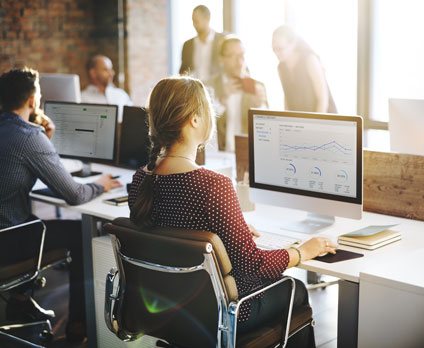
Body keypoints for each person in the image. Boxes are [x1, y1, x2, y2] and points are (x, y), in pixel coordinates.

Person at [128, 76, 338, 346]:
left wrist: (229, 228)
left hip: (170, 308)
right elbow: (252, 267)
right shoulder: (213, 185)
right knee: (294, 288)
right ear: (194, 119)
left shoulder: (140, 180)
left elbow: (173, 230)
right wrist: (302, 252)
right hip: (224, 312)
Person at [0, 67, 122, 342]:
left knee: (31, 220)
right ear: (33, 100)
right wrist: (101, 183)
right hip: (7, 240)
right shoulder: (30, 137)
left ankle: (20, 299)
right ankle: (78, 326)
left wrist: (45, 139)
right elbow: (75, 195)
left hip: (5, 231)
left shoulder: (15, 132)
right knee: (81, 236)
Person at [206, 36, 268, 151]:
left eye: (242, 55)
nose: (240, 62)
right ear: (221, 59)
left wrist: (258, 106)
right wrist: (222, 100)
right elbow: (203, 124)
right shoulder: (209, 86)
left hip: (247, 154)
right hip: (218, 155)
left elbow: (267, 131)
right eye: (233, 56)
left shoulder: (256, 86)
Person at [272, 25, 337, 113]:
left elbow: (322, 99)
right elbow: (287, 99)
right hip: (301, 121)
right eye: (274, 49)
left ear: (293, 44)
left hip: (323, 117)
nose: (276, 53)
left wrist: (315, 124)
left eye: (280, 48)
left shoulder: (309, 60)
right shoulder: (281, 68)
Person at [81, 54, 133, 122]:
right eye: (105, 70)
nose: (112, 73)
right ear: (93, 73)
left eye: (111, 69)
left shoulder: (121, 94)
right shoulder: (82, 98)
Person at [179, 5, 225, 81]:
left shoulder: (222, 40)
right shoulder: (187, 45)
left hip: (217, 90)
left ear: (208, 18)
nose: (194, 25)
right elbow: (183, 71)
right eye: (193, 21)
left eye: (196, 21)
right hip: (195, 90)